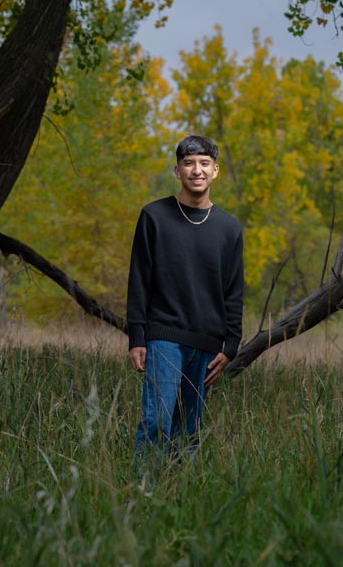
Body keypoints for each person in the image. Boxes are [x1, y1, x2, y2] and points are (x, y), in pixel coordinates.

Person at [126, 135, 244, 470]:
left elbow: (233, 291)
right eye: (189, 163)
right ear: (177, 170)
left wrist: (231, 344)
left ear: (215, 170)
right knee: (157, 421)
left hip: (207, 342)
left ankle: (178, 499)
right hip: (163, 335)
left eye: (204, 163)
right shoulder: (154, 216)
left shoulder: (229, 228)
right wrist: (137, 336)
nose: (197, 170)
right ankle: (143, 495)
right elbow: (139, 280)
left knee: (188, 432)